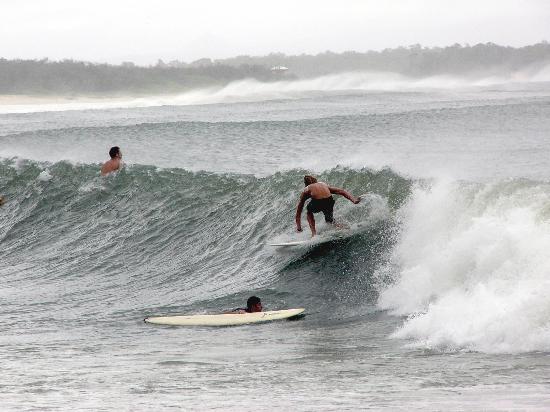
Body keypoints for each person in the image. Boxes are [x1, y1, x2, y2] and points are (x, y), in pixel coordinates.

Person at [296, 175, 361, 237]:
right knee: (329, 220)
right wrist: (354, 200)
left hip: (318, 202)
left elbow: (299, 211)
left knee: (309, 211)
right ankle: (344, 228)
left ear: (306, 183)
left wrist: (299, 228)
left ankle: (314, 234)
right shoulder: (323, 184)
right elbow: (341, 191)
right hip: (329, 201)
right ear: (315, 180)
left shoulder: (306, 189)